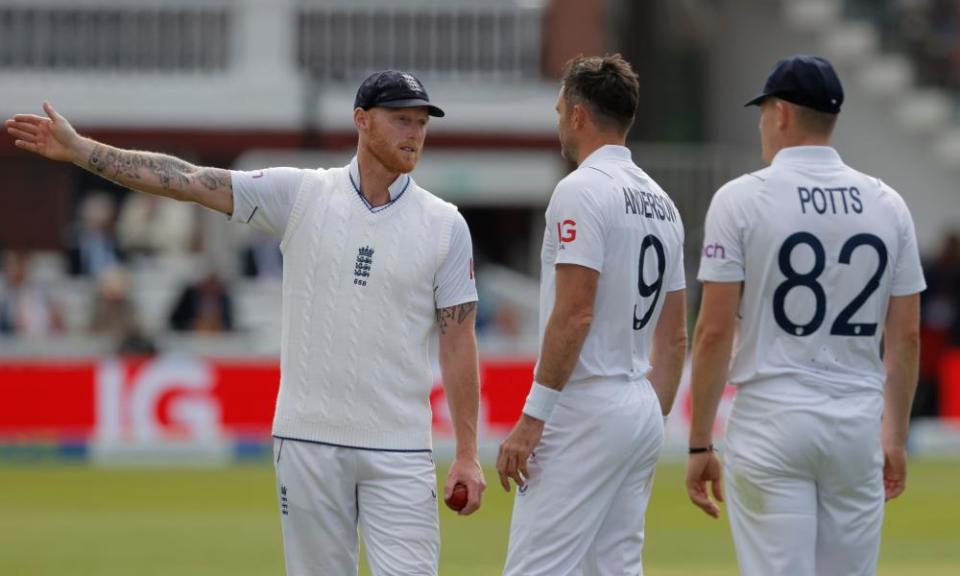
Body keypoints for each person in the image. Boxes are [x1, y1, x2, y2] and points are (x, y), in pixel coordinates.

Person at [5, 69, 486, 576]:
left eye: (420, 123)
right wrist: (83, 152)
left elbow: (458, 342)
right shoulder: (302, 194)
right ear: (362, 121)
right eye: (401, 120)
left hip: (401, 447)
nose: (414, 134)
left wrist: (469, 453)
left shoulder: (445, 225)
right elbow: (189, 181)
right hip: (308, 441)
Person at [686, 54, 925, 576]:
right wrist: (896, 438)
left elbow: (712, 332)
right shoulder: (888, 204)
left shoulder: (740, 199)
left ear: (782, 114)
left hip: (773, 417)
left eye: (763, 110)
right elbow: (905, 337)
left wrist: (700, 441)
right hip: (856, 423)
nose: (760, 123)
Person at [496, 54, 687, 576]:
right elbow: (674, 340)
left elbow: (575, 313)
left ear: (579, 115)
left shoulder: (580, 190)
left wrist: (533, 418)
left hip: (585, 404)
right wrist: (648, 418)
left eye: (560, 109)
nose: (558, 120)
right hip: (639, 403)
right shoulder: (664, 204)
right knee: (614, 568)